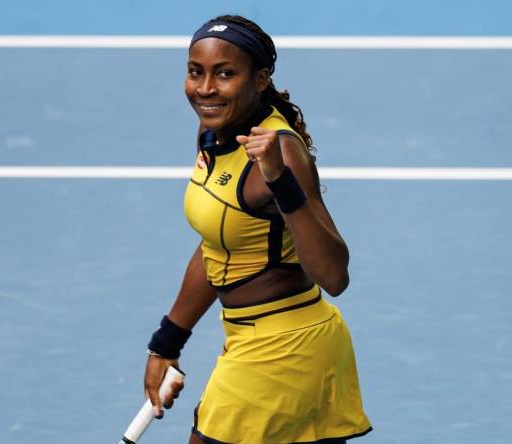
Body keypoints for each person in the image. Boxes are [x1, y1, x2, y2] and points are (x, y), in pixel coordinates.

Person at [143, 15, 372, 443]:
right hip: (255, 340)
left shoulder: (281, 152)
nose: (206, 89)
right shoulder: (215, 133)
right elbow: (219, 244)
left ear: (260, 78)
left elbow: (334, 275)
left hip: (286, 350)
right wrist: (166, 343)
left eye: (225, 74)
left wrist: (279, 181)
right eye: (196, 72)